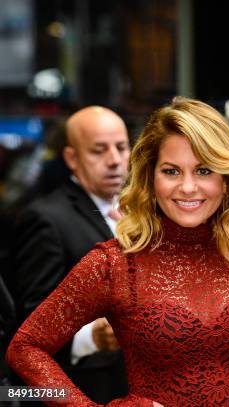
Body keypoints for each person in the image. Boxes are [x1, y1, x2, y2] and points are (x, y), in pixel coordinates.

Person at [7, 97, 229, 405]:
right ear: (150, 177)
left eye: (203, 171)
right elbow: (24, 348)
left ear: (225, 179)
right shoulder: (115, 264)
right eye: (171, 171)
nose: (187, 187)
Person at [8, 106, 130, 403]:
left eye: (122, 147)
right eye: (99, 151)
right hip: (87, 388)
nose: (114, 160)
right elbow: (30, 322)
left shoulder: (143, 210)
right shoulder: (46, 218)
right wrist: (90, 338)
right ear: (72, 158)